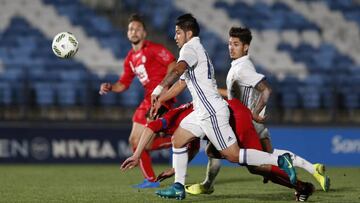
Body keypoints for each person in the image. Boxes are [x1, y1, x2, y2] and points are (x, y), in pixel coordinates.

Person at [149, 13, 296, 200]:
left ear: (189, 33)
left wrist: (158, 88)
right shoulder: (195, 50)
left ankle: (280, 160)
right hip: (201, 111)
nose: (175, 37)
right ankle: (178, 186)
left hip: (211, 112)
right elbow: (181, 84)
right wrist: (161, 99)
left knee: (234, 156)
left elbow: (178, 70)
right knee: (178, 139)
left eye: (178, 33)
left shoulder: (189, 49)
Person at [185, 27, 330, 198]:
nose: (231, 47)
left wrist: (255, 113)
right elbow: (234, 96)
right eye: (230, 44)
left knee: (257, 164)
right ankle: (311, 171)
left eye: (236, 44)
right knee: (259, 162)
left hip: (246, 124)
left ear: (246, 47)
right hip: (246, 121)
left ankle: (303, 185)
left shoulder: (242, 68)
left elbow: (266, 90)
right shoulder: (239, 66)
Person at [121, 98, 316, 201]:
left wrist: (137, 155)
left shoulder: (169, 119)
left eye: (152, 119)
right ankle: (300, 186)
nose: (153, 125)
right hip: (232, 112)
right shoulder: (183, 119)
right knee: (213, 152)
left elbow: (150, 128)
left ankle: (300, 184)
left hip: (235, 117)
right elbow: (194, 146)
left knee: (256, 165)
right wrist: (175, 169)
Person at [98, 13, 177, 188]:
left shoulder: (154, 49)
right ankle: (151, 179)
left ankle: (181, 140)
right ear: (127, 33)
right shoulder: (130, 58)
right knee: (136, 141)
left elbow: (173, 64)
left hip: (160, 97)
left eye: (138, 28)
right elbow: (123, 84)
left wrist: (165, 86)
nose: (134, 31)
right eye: (131, 28)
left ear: (144, 33)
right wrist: (110, 87)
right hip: (147, 99)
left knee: (143, 143)